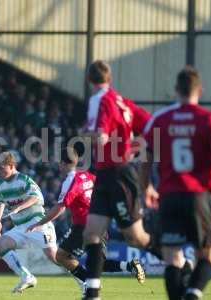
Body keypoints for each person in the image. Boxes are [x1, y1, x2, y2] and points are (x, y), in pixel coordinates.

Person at [81, 60, 160, 300]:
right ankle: (92, 293)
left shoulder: (100, 100)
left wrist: (83, 135)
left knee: (136, 237)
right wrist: (135, 147)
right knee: (91, 233)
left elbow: (101, 138)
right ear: (110, 78)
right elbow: (152, 127)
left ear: (89, 80)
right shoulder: (122, 101)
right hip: (105, 173)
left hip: (118, 174)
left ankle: (179, 261)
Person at [141, 66, 211, 300]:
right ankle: (194, 293)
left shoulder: (160, 120)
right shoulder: (209, 121)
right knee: (207, 254)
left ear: (176, 90)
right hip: (198, 196)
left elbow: (145, 158)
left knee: (173, 257)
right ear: (200, 90)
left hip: (169, 196)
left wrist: (147, 187)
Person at [27, 147, 145, 296]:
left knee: (61, 256)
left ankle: (88, 285)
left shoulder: (70, 181)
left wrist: (39, 223)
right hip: (100, 222)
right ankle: (129, 266)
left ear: (63, 163)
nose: (58, 166)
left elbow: (60, 207)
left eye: (59, 163)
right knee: (97, 263)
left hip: (84, 226)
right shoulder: (88, 176)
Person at [0, 151, 57, 293]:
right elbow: (0, 200)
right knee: (0, 244)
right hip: (20, 226)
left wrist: (18, 208)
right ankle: (26, 277)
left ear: (11, 165)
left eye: (1, 167)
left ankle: (84, 281)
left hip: (38, 223)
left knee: (55, 257)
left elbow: (36, 197)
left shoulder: (24, 179)